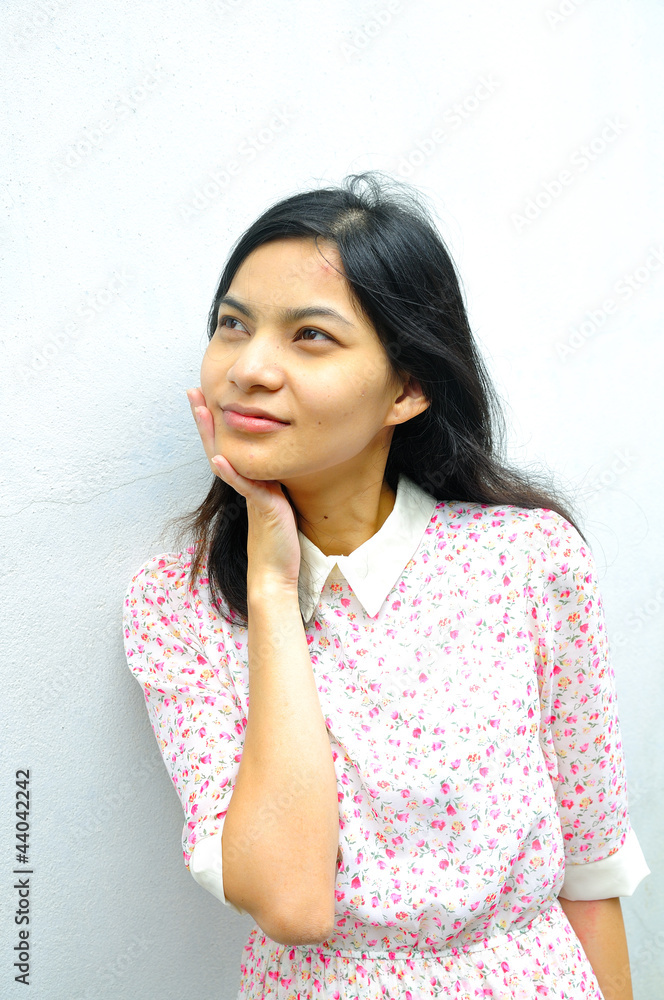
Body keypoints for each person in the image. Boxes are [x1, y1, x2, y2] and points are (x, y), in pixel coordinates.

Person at [122, 172, 650, 999]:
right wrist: (269, 588)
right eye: (233, 325)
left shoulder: (528, 562)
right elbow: (293, 900)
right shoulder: (178, 606)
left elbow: (590, 870)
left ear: (406, 388)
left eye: (310, 337)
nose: (249, 368)